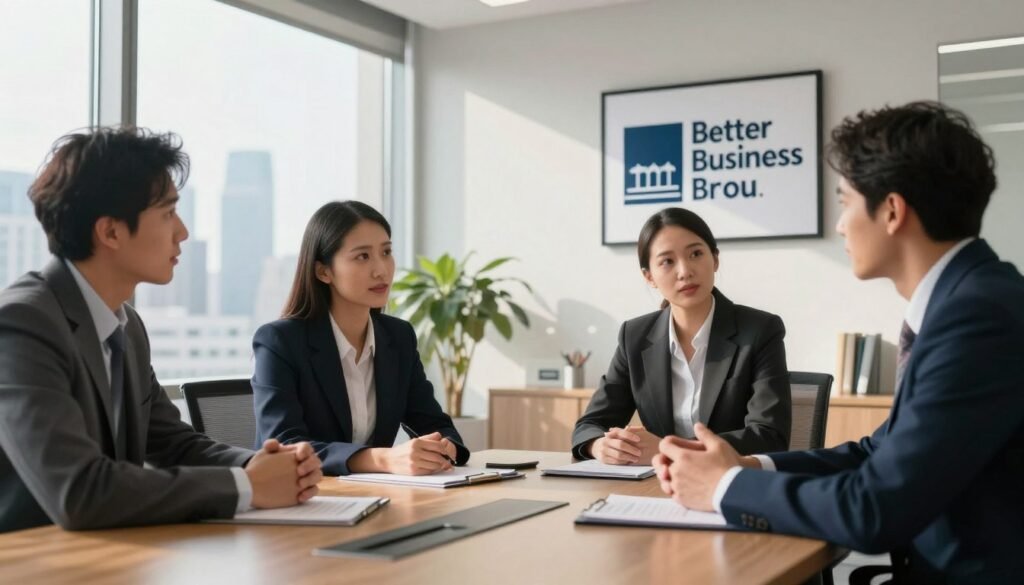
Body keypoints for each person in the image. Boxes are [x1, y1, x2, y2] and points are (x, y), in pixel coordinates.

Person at [655, 102, 1024, 584]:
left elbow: (873, 510)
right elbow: (878, 453)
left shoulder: (977, 318)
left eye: (846, 202)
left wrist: (724, 487)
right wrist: (749, 466)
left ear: (892, 211)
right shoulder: (971, 300)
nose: (840, 225)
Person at [0, 127, 322, 533]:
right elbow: (78, 491)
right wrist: (248, 486)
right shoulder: (21, 324)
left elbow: (174, 444)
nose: (183, 231)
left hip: (110, 556)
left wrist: (261, 466)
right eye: (168, 213)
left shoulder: (126, 327)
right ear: (111, 231)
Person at [252, 201, 469, 476]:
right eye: (362, 257)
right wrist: (382, 459)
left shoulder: (398, 337)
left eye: (386, 252)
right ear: (323, 271)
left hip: (372, 498)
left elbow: (434, 424)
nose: (382, 270)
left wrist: (445, 446)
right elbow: (286, 446)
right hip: (303, 500)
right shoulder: (279, 342)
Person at [571, 207, 791, 464]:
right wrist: (599, 446)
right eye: (667, 261)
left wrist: (669, 450)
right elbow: (590, 425)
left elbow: (769, 436)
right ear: (649, 276)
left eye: (696, 254)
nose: (685, 271)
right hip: (656, 487)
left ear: (715, 259)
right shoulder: (634, 336)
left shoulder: (760, 330)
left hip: (730, 484)